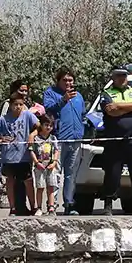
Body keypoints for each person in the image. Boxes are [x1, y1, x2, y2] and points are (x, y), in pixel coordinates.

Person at [89, 65, 132, 216]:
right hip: (114, 140)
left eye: (124, 75)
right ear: (113, 77)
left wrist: (119, 105)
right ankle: (108, 204)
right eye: (118, 75)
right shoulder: (106, 93)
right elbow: (111, 112)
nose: (122, 78)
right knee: (112, 173)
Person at [43, 69, 86, 214]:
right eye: (65, 80)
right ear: (58, 81)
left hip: (75, 140)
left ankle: (69, 204)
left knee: (71, 174)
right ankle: (52, 205)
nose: (68, 83)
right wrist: (63, 100)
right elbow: (48, 110)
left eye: (70, 80)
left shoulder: (78, 96)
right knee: (55, 173)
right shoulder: (50, 93)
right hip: (58, 140)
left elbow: (82, 115)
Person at [0, 92, 39, 216]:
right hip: (9, 156)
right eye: (16, 104)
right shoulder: (4, 119)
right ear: (10, 105)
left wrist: (32, 134)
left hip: (24, 156)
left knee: (29, 181)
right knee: (10, 181)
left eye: (21, 104)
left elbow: (38, 126)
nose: (18, 107)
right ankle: (12, 208)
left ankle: (34, 207)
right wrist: (0, 139)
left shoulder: (27, 116)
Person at [30, 113, 61, 215]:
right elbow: (32, 151)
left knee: (51, 187)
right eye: (46, 125)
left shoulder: (53, 138)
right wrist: (36, 162)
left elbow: (57, 150)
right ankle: (38, 208)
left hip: (51, 167)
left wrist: (54, 162)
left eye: (50, 126)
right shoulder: (36, 139)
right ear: (41, 125)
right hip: (39, 167)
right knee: (40, 187)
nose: (48, 127)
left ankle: (51, 207)